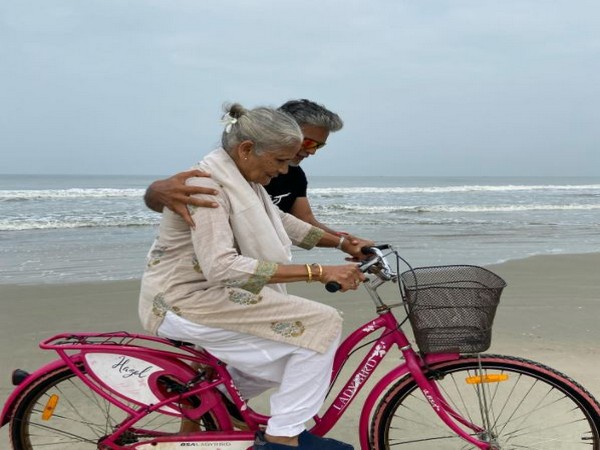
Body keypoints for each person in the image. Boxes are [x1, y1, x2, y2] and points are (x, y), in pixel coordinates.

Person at [139, 103, 368, 450]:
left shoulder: (245, 181)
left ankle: (216, 404)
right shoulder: (208, 187)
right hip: (182, 301)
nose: (284, 168)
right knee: (321, 324)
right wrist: (318, 272)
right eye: (280, 161)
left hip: (211, 295)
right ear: (246, 150)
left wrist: (343, 243)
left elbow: (286, 223)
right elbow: (222, 267)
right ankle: (283, 437)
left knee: (298, 350)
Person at [144, 99, 365, 244]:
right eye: (308, 143)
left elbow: (300, 222)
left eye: (318, 146)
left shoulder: (295, 176)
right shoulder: (235, 169)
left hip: (254, 267)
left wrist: (346, 243)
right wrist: (154, 191)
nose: (312, 152)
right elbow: (182, 199)